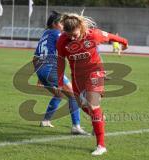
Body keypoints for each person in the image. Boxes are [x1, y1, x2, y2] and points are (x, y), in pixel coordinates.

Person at [57, 13, 128, 156]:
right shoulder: (62, 41)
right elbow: (60, 61)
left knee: (93, 104)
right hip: (77, 77)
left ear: (80, 27)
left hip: (95, 73)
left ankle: (101, 145)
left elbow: (111, 37)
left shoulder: (93, 35)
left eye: (75, 34)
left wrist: (124, 42)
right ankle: (98, 118)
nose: (72, 38)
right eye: (69, 35)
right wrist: (59, 81)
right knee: (82, 105)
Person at [33, 11, 88, 135]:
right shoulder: (57, 34)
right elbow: (70, 45)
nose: (64, 26)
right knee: (73, 96)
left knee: (59, 94)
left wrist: (39, 76)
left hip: (41, 69)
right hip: (50, 68)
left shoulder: (45, 34)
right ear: (55, 24)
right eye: (62, 23)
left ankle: (46, 120)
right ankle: (76, 126)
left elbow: (35, 57)